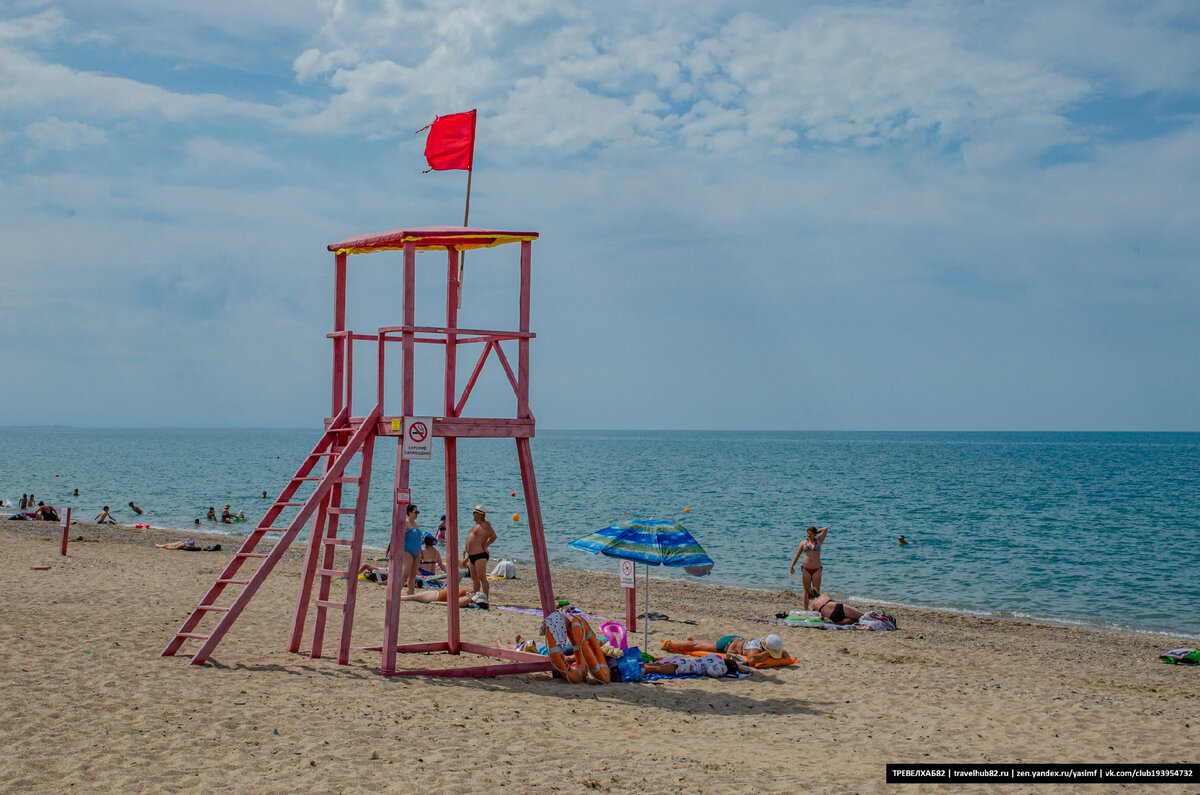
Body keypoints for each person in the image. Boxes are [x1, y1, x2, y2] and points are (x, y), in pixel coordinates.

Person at [660, 633, 788, 667]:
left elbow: (785, 654)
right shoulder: (754, 648)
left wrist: (780, 653)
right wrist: (767, 654)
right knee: (696, 646)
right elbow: (751, 660)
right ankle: (671, 644)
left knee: (700, 644)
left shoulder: (763, 643)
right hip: (728, 645)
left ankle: (687, 642)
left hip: (736, 640)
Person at [463, 505, 497, 604]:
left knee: (482, 577)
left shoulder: (485, 524)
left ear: (480, 514)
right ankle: (477, 597)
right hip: (472, 556)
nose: (473, 514)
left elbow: (493, 536)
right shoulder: (474, 526)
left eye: (474, 513)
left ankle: (485, 599)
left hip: (480, 554)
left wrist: (485, 546)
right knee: (474, 578)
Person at [790, 525, 828, 610]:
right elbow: (797, 555)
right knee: (806, 590)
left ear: (814, 534)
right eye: (807, 534)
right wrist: (792, 566)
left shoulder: (819, 541)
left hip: (817, 569)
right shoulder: (803, 543)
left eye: (810, 534)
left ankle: (816, 609)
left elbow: (825, 529)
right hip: (806, 569)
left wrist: (815, 533)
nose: (808, 535)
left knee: (817, 590)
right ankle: (805, 609)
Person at [644, 654, 739, 678]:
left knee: (655, 664)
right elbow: (712, 671)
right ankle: (641, 669)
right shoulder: (722, 666)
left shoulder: (717, 657)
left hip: (683, 660)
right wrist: (721, 673)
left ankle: (636, 666)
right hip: (688, 667)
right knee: (657, 669)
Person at [401, 504, 423, 595]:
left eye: (418, 512)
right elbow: (400, 537)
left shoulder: (415, 524)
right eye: (415, 512)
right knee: (405, 572)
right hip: (407, 551)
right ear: (409, 512)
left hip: (417, 552)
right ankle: (396, 591)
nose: (417, 514)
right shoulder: (405, 523)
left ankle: (411, 593)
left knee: (413, 575)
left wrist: (421, 552)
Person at [399, 587, 474, 607]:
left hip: (435, 596)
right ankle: (399, 597)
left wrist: (436, 603)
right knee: (414, 596)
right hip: (437, 594)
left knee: (414, 597)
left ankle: (399, 598)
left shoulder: (466, 600)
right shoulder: (468, 596)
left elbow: (451, 604)